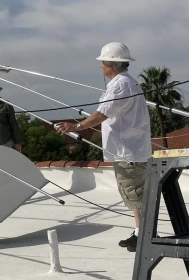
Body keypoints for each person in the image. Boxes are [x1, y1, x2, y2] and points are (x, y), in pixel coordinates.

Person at [55, 42, 151, 253]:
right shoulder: (128, 83)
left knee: (135, 193)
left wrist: (77, 126)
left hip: (129, 151)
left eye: (103, 63)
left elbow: (102, 113)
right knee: (134, 195)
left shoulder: (119, 85)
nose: (101, 67)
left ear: (110, 64)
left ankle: (144, 235)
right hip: (130, 149)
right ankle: (140, 232)